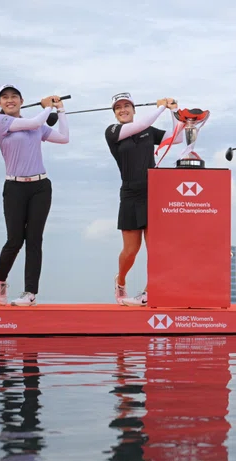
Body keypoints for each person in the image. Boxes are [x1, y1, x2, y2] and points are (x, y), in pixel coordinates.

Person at [0, 85, 69, 307]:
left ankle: (30, 293)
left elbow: (64, 138)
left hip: (40, 187)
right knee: (15, 239)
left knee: (34, 240)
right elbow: (34, 122)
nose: (9, 100)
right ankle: (0, 277)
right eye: (5, 97)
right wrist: (47, 106)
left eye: (14, 97)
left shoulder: (36, 127)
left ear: (21, 101)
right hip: (15, 187)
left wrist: (60, 110)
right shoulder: (0, 122)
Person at [106, 92, 178, 306]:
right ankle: (120, 280)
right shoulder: (112, 131)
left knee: (155, 247)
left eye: (127, 106)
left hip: (152, 192)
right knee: (131, 250)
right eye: (118, 107)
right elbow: (140, 125)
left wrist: (174, 110)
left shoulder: (147, 130)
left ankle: (149, 292)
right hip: (129, 193)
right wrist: (160, 108)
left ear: (134, 109)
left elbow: (178, 137)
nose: (123, 110)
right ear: (115, 113)